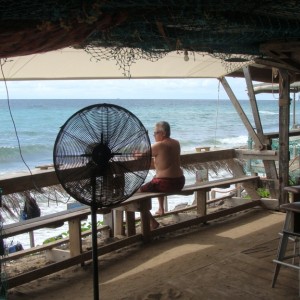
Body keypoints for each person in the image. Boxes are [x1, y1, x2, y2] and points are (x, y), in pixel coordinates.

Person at [139, 121, 185, 229]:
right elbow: (165, 159)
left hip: (165, 184)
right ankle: (161, 208)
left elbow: (141, 156)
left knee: (136, 194)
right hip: (179, 182)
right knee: (156, 178)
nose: (154, 135)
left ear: (163, 133)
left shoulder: (159, 145)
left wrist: (135, 153)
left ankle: (152, 222)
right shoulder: (176, 143)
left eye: (155, 133)